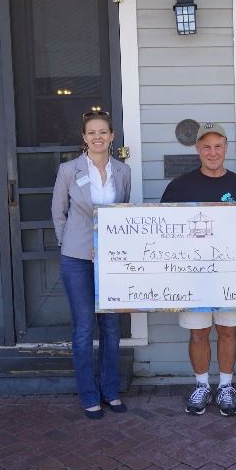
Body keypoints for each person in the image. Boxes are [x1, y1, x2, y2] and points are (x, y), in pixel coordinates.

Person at [161, 122, 236, 416]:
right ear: (197, 150)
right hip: (193, 275)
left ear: (226, 148)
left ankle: (226, 386)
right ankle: (202, 385)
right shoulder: (179, 186)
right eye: (206, 147)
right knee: (198, 333)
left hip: (230, 274)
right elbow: (162, 230)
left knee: (228, 331)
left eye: (218, 146)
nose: (212, 152)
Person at [52, 111, 131, 420]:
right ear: (84, 138)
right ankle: (88, 393)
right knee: (85, 327)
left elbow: (123, 211)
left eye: (103, 132)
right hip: (78, 259)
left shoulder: (123, 171)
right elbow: (59, 213)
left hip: (111, 260)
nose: (97, 137)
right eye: (91, 132)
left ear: (111, 136)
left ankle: (110, 390)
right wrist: (70, 245)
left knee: (111, 327)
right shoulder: (69, 170)